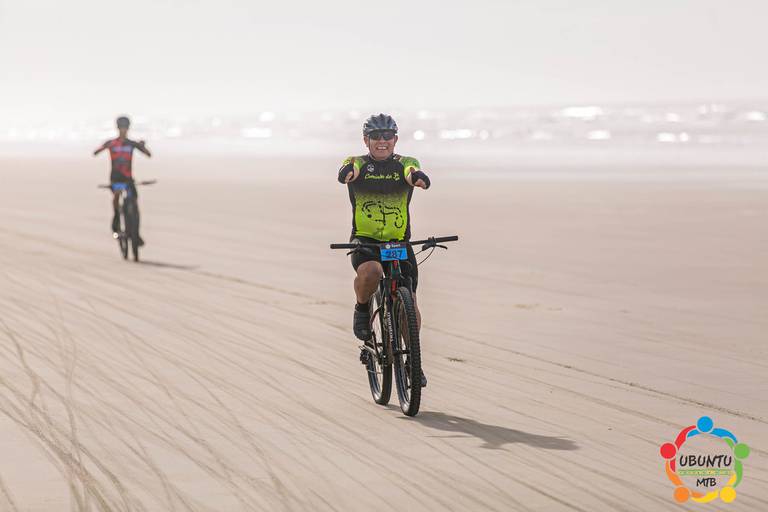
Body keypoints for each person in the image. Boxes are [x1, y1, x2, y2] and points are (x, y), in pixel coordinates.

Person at [337, 113, 431, 385]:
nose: (382, 141)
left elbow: (411, 173)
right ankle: (362, 308)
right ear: (366, 140)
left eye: (387, 136)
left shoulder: (406, 162)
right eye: (375, 136)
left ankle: (413, 360)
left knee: (409, 304)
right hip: (365, 242)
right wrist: (347, 173)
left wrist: (418, 178)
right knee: (372, 272)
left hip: (399, 243)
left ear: (395, 139)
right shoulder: (356, 162)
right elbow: (347, 171)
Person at [93, 116, 152, 243]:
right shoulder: (112, 143)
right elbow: (96, 152)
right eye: (121, 127)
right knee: (116, 199)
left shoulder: (131, 144)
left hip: (128, 179)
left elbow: (148, 154)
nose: (123, 129)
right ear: (118, 128)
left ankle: (135, 233)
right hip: (115, 179)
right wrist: (103, 146)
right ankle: (116, 225)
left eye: (125, 127)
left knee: (134, 203)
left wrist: (143, 146)